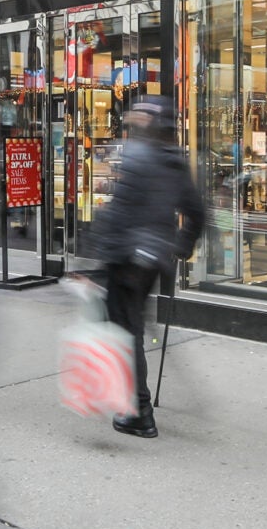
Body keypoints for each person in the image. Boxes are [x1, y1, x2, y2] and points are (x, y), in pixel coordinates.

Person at [84, 97, 209, 438]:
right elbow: (198, 213)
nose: (134, 120)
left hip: (126, 258)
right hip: (154, 259)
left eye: (140, 115)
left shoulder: (138, 155)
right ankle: (134, 403)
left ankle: (139, 411)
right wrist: (181, 246)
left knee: (126, 334)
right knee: (133, 329)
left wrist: (99, 266)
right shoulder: (175, 161)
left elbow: (118, 214)